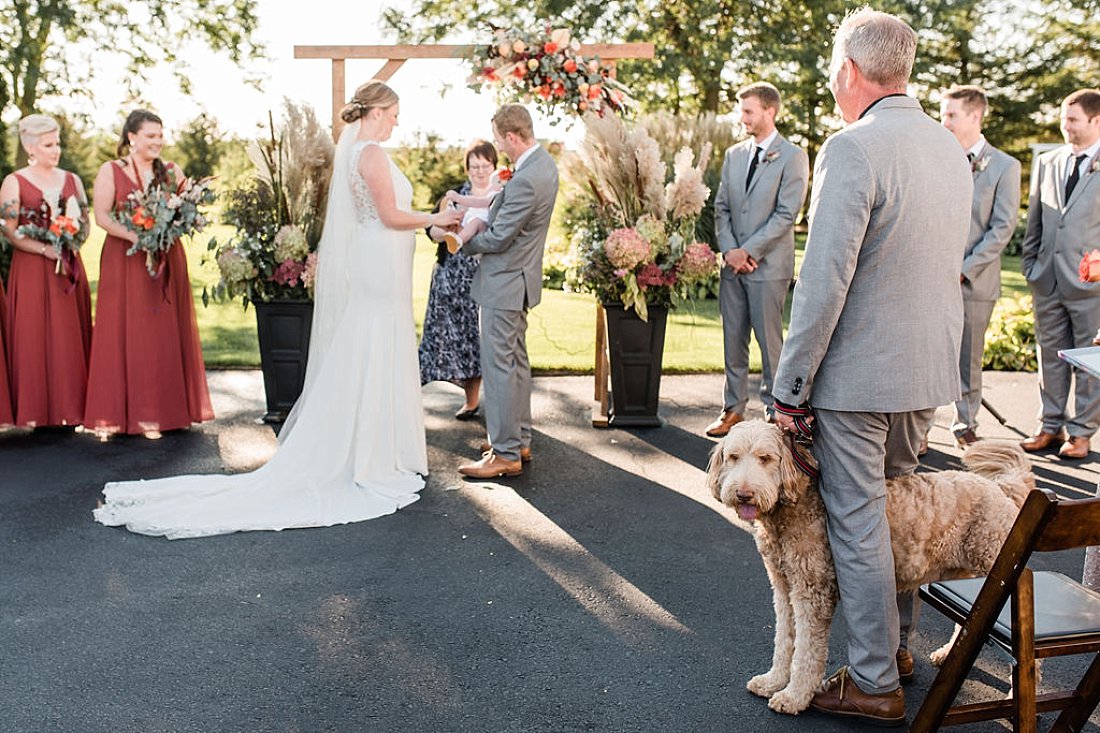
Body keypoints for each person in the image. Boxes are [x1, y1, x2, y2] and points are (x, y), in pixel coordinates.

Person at [93, 81, 461, 539]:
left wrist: (433, 217)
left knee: (370, 344)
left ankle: (374, 447)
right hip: (379, 262)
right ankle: (373, 453)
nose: (397, 120)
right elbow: (388, 215)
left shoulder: (356, 152)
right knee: (376, 342)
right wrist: (435, 219)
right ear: (377, 111)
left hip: (377, 260)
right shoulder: (370, 154)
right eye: (394, 112)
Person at [770, 9, 972, 726]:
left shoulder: (853, 148)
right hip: (925, 371)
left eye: (833, 67)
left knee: (856, 523)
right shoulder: (951, 148)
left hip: (859, 377)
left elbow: (824, 282)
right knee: (891, 511)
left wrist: (789, 388)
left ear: (849, 71)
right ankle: (901, 648)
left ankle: (876, 681)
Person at [82, 109, 214, 439]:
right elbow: (101, 216)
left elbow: (188, 209)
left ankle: (170, 411)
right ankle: (125, 413)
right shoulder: (111, 171)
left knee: (164, 330)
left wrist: (172, 228)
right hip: (124, 260)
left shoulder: (171, 170)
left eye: (160, 135)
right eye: (151, 136)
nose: (158, 141)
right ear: (132, 137)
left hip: (167, 256)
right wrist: (137, 237)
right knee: (127, 330)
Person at [456, 104, 559, 479]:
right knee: (515, 366)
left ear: (512, 137)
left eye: (500, 139)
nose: (500, 145)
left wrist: (461, 239)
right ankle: (519, 440)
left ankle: (504, 453)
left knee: (500, 369)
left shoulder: (527, 177)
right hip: (520, 281)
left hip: (503, 283)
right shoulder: (544, 166)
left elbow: (499, 237)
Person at [707, 81, 809, 438]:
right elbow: (721, 208)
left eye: (748, 111)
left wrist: (749, 252)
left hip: (767, 268)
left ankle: (774, 411)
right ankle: (732, 408)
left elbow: (786, 214)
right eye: (742, 111)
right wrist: (731, 251)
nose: (743, 118)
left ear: (770, 111)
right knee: (732, 339)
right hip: (733, 266)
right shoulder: (734, 155)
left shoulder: (793, 156)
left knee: (770, 342)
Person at [939, 86, 1022, 449]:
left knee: (967, 358)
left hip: (974, 280)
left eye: (951, 114)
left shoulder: (1005, 166)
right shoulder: (937, 159)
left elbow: (1002, 228)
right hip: (932, 278)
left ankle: (964, 423)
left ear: (975, 116)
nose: (944, 121)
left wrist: (963, 268)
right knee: (928, 353)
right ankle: (919, 428)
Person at [1019, 88, 1100, 460]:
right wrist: (1030, 265)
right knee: (1049, 356)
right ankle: (1050, 426)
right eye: (1063, 119)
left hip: (1091, 284)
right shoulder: (1049, 162)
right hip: (1047, 279)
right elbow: (1035, 218)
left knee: (1088, 361)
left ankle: (1082, 433)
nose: (1064, 126)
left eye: (1072, 119)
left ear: (1095, 121)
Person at [0, 114, 93, 428]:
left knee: (68, 336)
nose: (57, 150)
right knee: (32, 335)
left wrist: (70, 241)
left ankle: (71, 409)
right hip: (30, 269)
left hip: (65, 267)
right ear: (30, 146)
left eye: (58, 143)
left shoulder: (72, 180)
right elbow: (9, 230)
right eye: (49, 144)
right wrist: (44, 248)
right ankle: (36, 410)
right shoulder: (14, 181)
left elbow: (85, 222)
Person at [419, 141, 496, 420]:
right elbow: (431, 230)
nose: (479, 171)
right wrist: (447, 231)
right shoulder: (454, 196)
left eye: (484, 165)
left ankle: (472, 401)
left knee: (473, 340)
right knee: (439, 337)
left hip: (481, 280)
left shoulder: (500, 197)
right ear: (467, 167)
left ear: (494, 166)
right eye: (474, 166)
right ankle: (412, 399)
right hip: (449, 278)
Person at [438, 176, 501, 255]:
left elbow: (480, 202)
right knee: (462, 218)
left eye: (499, 182)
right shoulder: (489, 193)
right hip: (473, 218)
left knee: (475, 223)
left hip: (483, 223)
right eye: (493, 182)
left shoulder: (497, 195)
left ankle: (458, 240)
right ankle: (451, 229)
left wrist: (458, 198)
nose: (492, 185)